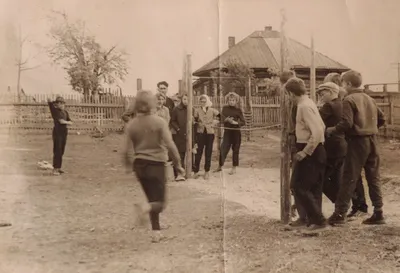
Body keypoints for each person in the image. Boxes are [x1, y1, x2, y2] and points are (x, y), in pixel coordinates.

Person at [123, 90, 185, 242]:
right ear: (151, 104)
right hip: (156, 164)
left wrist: (128, 166)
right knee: (160, 203)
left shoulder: (132, 124)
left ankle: (156, 233)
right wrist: (178, 164)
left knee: (151, 198)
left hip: (139, 165)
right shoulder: (159, 122)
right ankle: (145, 209)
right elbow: (170, 145)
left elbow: (126, 150)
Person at [326, 70, 386, 225]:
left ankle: (340, 214)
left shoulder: (349, 99)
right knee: (374, 177)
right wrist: (370, 127)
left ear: (348, 84)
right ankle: (378, 212)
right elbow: (382, 118)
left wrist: (332, 130)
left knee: (348, 177)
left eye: (343, 84)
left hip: (357, 142)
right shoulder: (369, 98)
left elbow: (346, 123)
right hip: (373, 141)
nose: (342, 87)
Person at [323, 73, 369, 218]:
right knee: (351, 175)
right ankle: (357, 205)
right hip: (349, 140)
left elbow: (346, 121)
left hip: (347, 140)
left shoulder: (344, 98)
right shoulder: (348, 97)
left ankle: (356, 205)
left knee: (350, 175)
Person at [285, 77, 327, 231]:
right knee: (304, 186)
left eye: (288, 94)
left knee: (299, 186)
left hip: (311, 150)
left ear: (291, 93)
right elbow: (322, 125)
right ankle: (310, 219)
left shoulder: (304, 106)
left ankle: (319, 220)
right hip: (314, 148)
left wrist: (305, 151)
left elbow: (317, 130)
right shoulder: (309, 103)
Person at [316, 82, 347, 204]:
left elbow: (315, 121)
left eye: (322, 94)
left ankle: (341, 203)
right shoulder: (343, 104)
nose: (321, 97)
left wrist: (318, 106)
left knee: (319, 180)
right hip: (342, 146)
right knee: (337, 179)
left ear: (331, 92)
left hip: (332, 147)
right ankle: (342, 206)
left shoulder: (329, 106)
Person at [214, 92, 245, 175]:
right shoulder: (224, 108)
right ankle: (220, 166)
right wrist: (225, 120)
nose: (231, 102)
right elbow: (221, 119)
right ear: (227, 100)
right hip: (227, 132)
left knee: (235, 150)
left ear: (236, 101)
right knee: (223, 148)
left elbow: (243, 122)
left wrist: (236, 123)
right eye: (230, 100)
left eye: (233, 100)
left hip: (236, 132)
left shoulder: (238, 110)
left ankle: (234, 168)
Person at [193, 94, 220, 180]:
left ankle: (207, 172)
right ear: (199, 102)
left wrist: (215, 122)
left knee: (208, 153)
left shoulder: (212, 110)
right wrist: (194, 122)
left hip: (209, 134)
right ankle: (196, 171)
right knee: (198, 153)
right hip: (200, 134)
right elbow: (194, 120)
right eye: (201, 101)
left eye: (204, 101)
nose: (203, 103)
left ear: (207, 101)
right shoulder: (197, 111)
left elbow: (221, 117)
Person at [47, 96, 73, 176]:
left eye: (62, 103)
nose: (60, 105)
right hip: (57, 133)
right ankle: (55, 169)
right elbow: (61, 121)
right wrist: (50, 101)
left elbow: (70, 121)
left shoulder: (65, 112)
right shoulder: (55, 112)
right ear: (56, 104)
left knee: (62, 150)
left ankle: (59, 168)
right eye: (58, 103)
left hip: (64, 132)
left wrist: (67, 122)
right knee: (57, 150)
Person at [170, 93, 190, 181]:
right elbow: (172, 121)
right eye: (185, 99)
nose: (186, 101)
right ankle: (178, 174)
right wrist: (178, 129)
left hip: (189, 135)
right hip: (179, 135)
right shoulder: (176, 109)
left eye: (188, 99)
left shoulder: (191, 109)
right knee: (179, 155)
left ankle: (187, 172)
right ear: (182, 99)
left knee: (188, 154)